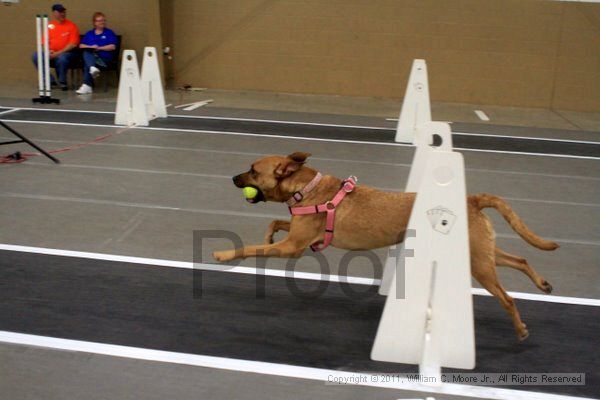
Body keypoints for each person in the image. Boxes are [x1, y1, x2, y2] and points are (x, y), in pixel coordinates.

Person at [31, 4, 80, 91]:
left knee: (62, 58)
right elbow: (44, 42)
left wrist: (58, 53)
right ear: (54, 13)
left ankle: (62, 82)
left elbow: (72, 44)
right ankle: (49, 80)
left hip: (67, 53)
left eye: (64, 12)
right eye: (60, 12)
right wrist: (48, 51)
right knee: (36, 56)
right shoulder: (49, 26)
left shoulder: (71, 26)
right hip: (52, 53)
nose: (62, 14)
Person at [76, 12, 117, 94]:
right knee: (87, 52)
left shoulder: (109, 33)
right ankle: (92, 69)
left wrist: (99, 48)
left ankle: (87, 85)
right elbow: (81, 45)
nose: (102, 22)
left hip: (104, 59)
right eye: (99, 20)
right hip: (92, 58)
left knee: (87, 62)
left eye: (103, 20)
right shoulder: (89, 34)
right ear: (94, 22)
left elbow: (113, 47)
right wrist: (91, 47)